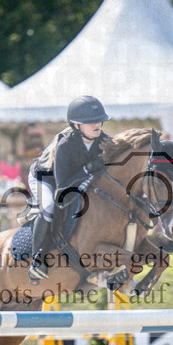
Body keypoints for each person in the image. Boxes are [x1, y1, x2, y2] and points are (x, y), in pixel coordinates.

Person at [28, 96, 112, 280]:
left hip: (72, 180)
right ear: (76, 125)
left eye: (99, 120)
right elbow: (63, 186)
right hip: (46, 179)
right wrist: (86, 168)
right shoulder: (66, 145)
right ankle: (37, 258)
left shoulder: (104, 141)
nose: (97, 124)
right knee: (49, 207)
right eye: (91, 122)